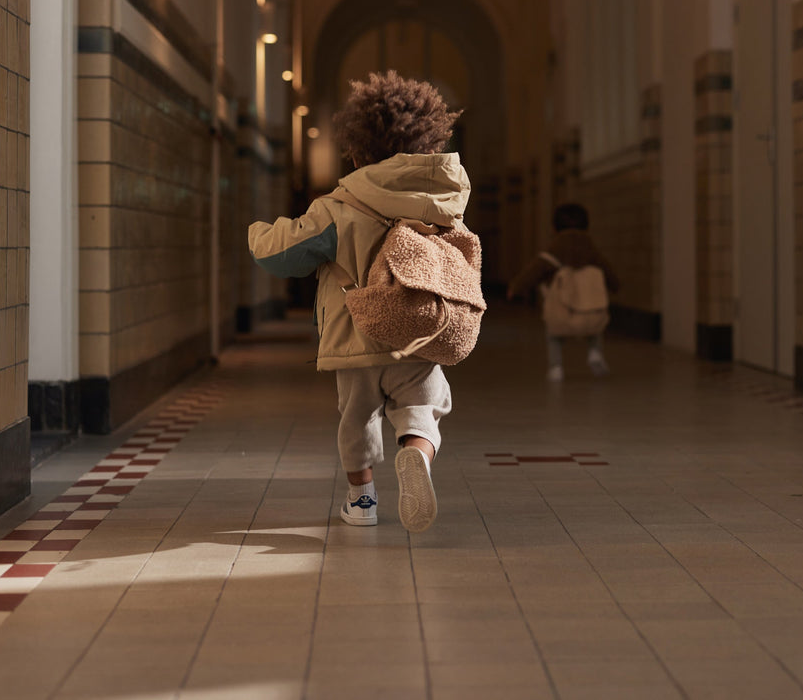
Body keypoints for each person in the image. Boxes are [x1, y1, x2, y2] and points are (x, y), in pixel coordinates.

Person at [247, 71, 469, 533]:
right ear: (429, 140)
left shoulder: (340, 205)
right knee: (424, 408)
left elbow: (283, 255)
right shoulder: (445, 200)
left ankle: (362, 500)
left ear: (360, 146)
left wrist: (257, 233)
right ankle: (416, 455)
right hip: (421, 330)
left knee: (358, 418)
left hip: (357, 332)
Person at [507, 203, 620, 382]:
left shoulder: (554, 250)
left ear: (554, 228)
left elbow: (534, 271)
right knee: (594, 326)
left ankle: (556, 367)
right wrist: (615, 286)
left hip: (561, 308)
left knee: (554, 334)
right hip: (590, 306)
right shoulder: (591, 250)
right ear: (587, 226)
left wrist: (515, 287)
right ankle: (595, 353)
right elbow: (608, 271)